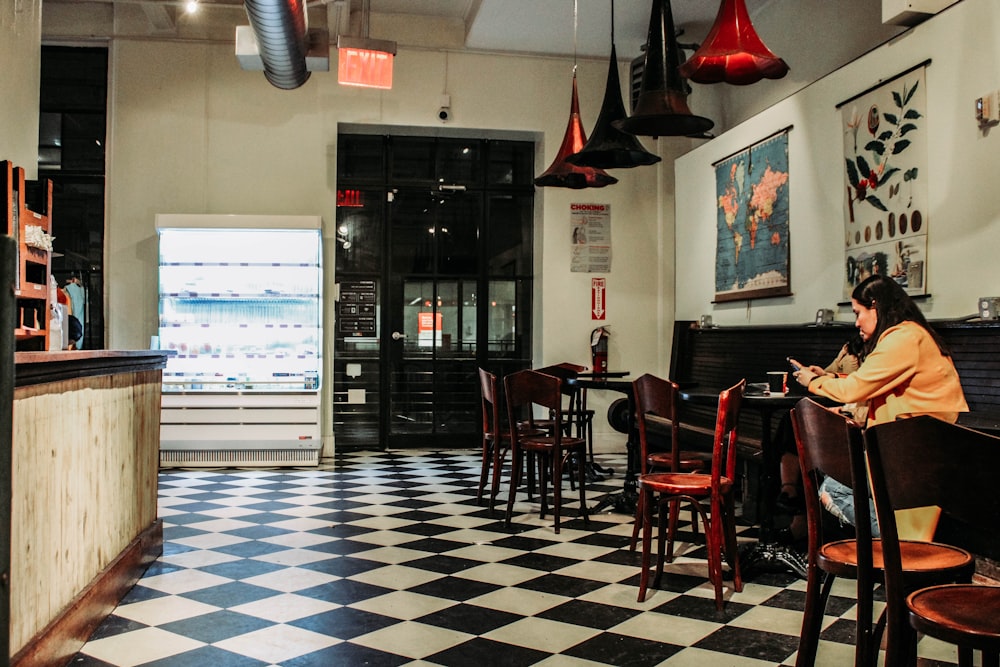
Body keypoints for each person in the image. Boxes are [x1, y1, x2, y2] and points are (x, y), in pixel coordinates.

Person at [790, 274, 969, 537]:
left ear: (875, 306)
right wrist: (829, 378)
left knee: (832, 488)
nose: (856, 322)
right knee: (833, 476)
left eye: (858, 312)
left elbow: (856, 388)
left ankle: (899, 544)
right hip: (915, 447)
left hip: (915, 455)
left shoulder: (903, 338)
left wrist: (813, 382)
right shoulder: (911, 334)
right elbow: (874, 381)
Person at [773, 332, 865, 544]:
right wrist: (823, 374)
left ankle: (793, 502)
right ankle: (792, 498)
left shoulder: (881, 349)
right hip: (847, 413)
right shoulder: (851, 345)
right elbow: (837, 375)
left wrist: (820, 384)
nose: (858, 322)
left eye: (860, 312)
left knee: (799, 424)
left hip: (857, 422)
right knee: (794, 421)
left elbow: (860, 390)